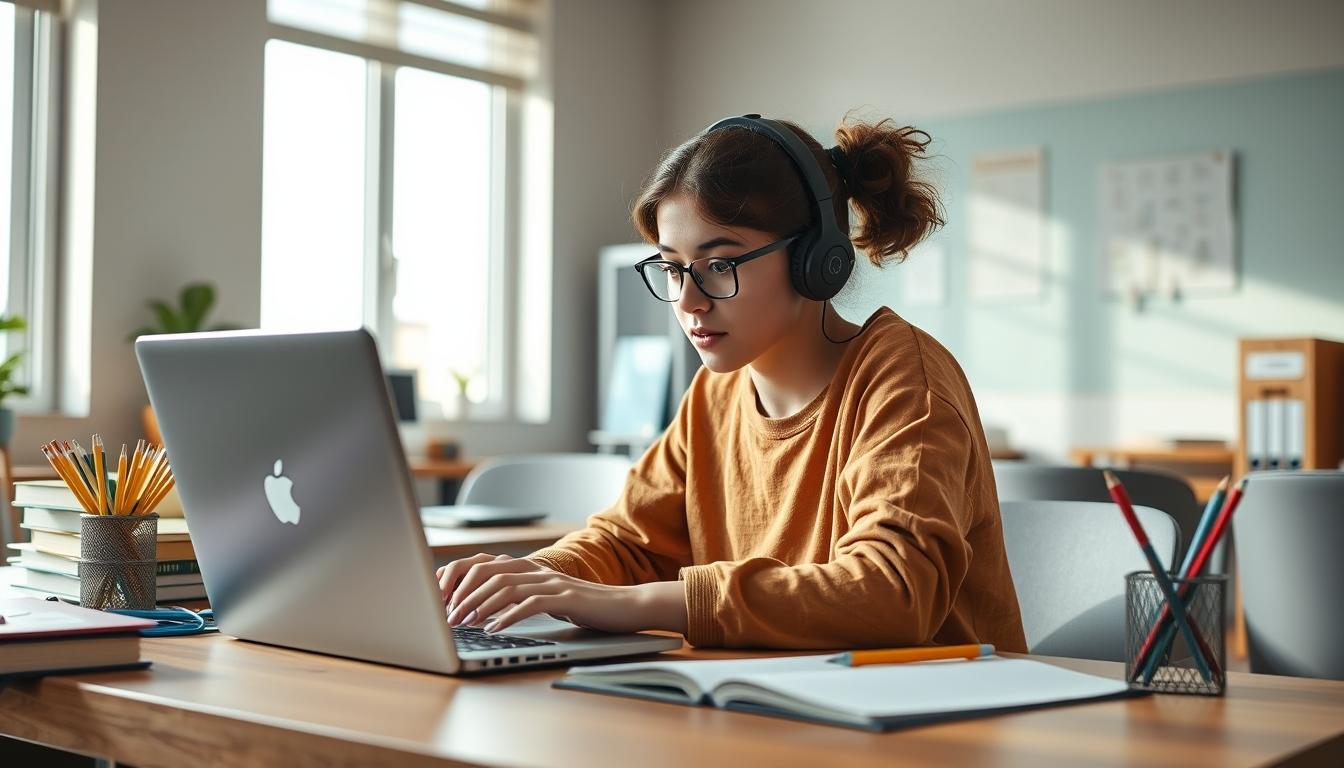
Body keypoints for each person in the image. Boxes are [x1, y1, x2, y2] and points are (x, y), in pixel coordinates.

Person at [438, 113, 1027, 651]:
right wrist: (535, 579)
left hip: (930, 724)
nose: (688, 301)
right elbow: (629, 543)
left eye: (720, 264)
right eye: (672, 268)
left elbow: (891, 594)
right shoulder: (715, 393)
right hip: (773, 707)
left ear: (816, 259)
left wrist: (629, 603)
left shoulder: (903, 378)